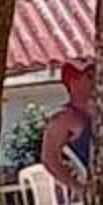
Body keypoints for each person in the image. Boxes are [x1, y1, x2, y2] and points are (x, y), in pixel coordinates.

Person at [39, 61, 95, 194]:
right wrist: (77, 187)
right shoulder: (64, 118)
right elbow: (50, 158)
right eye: (89, 76)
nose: (96, 81)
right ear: (73, 81)